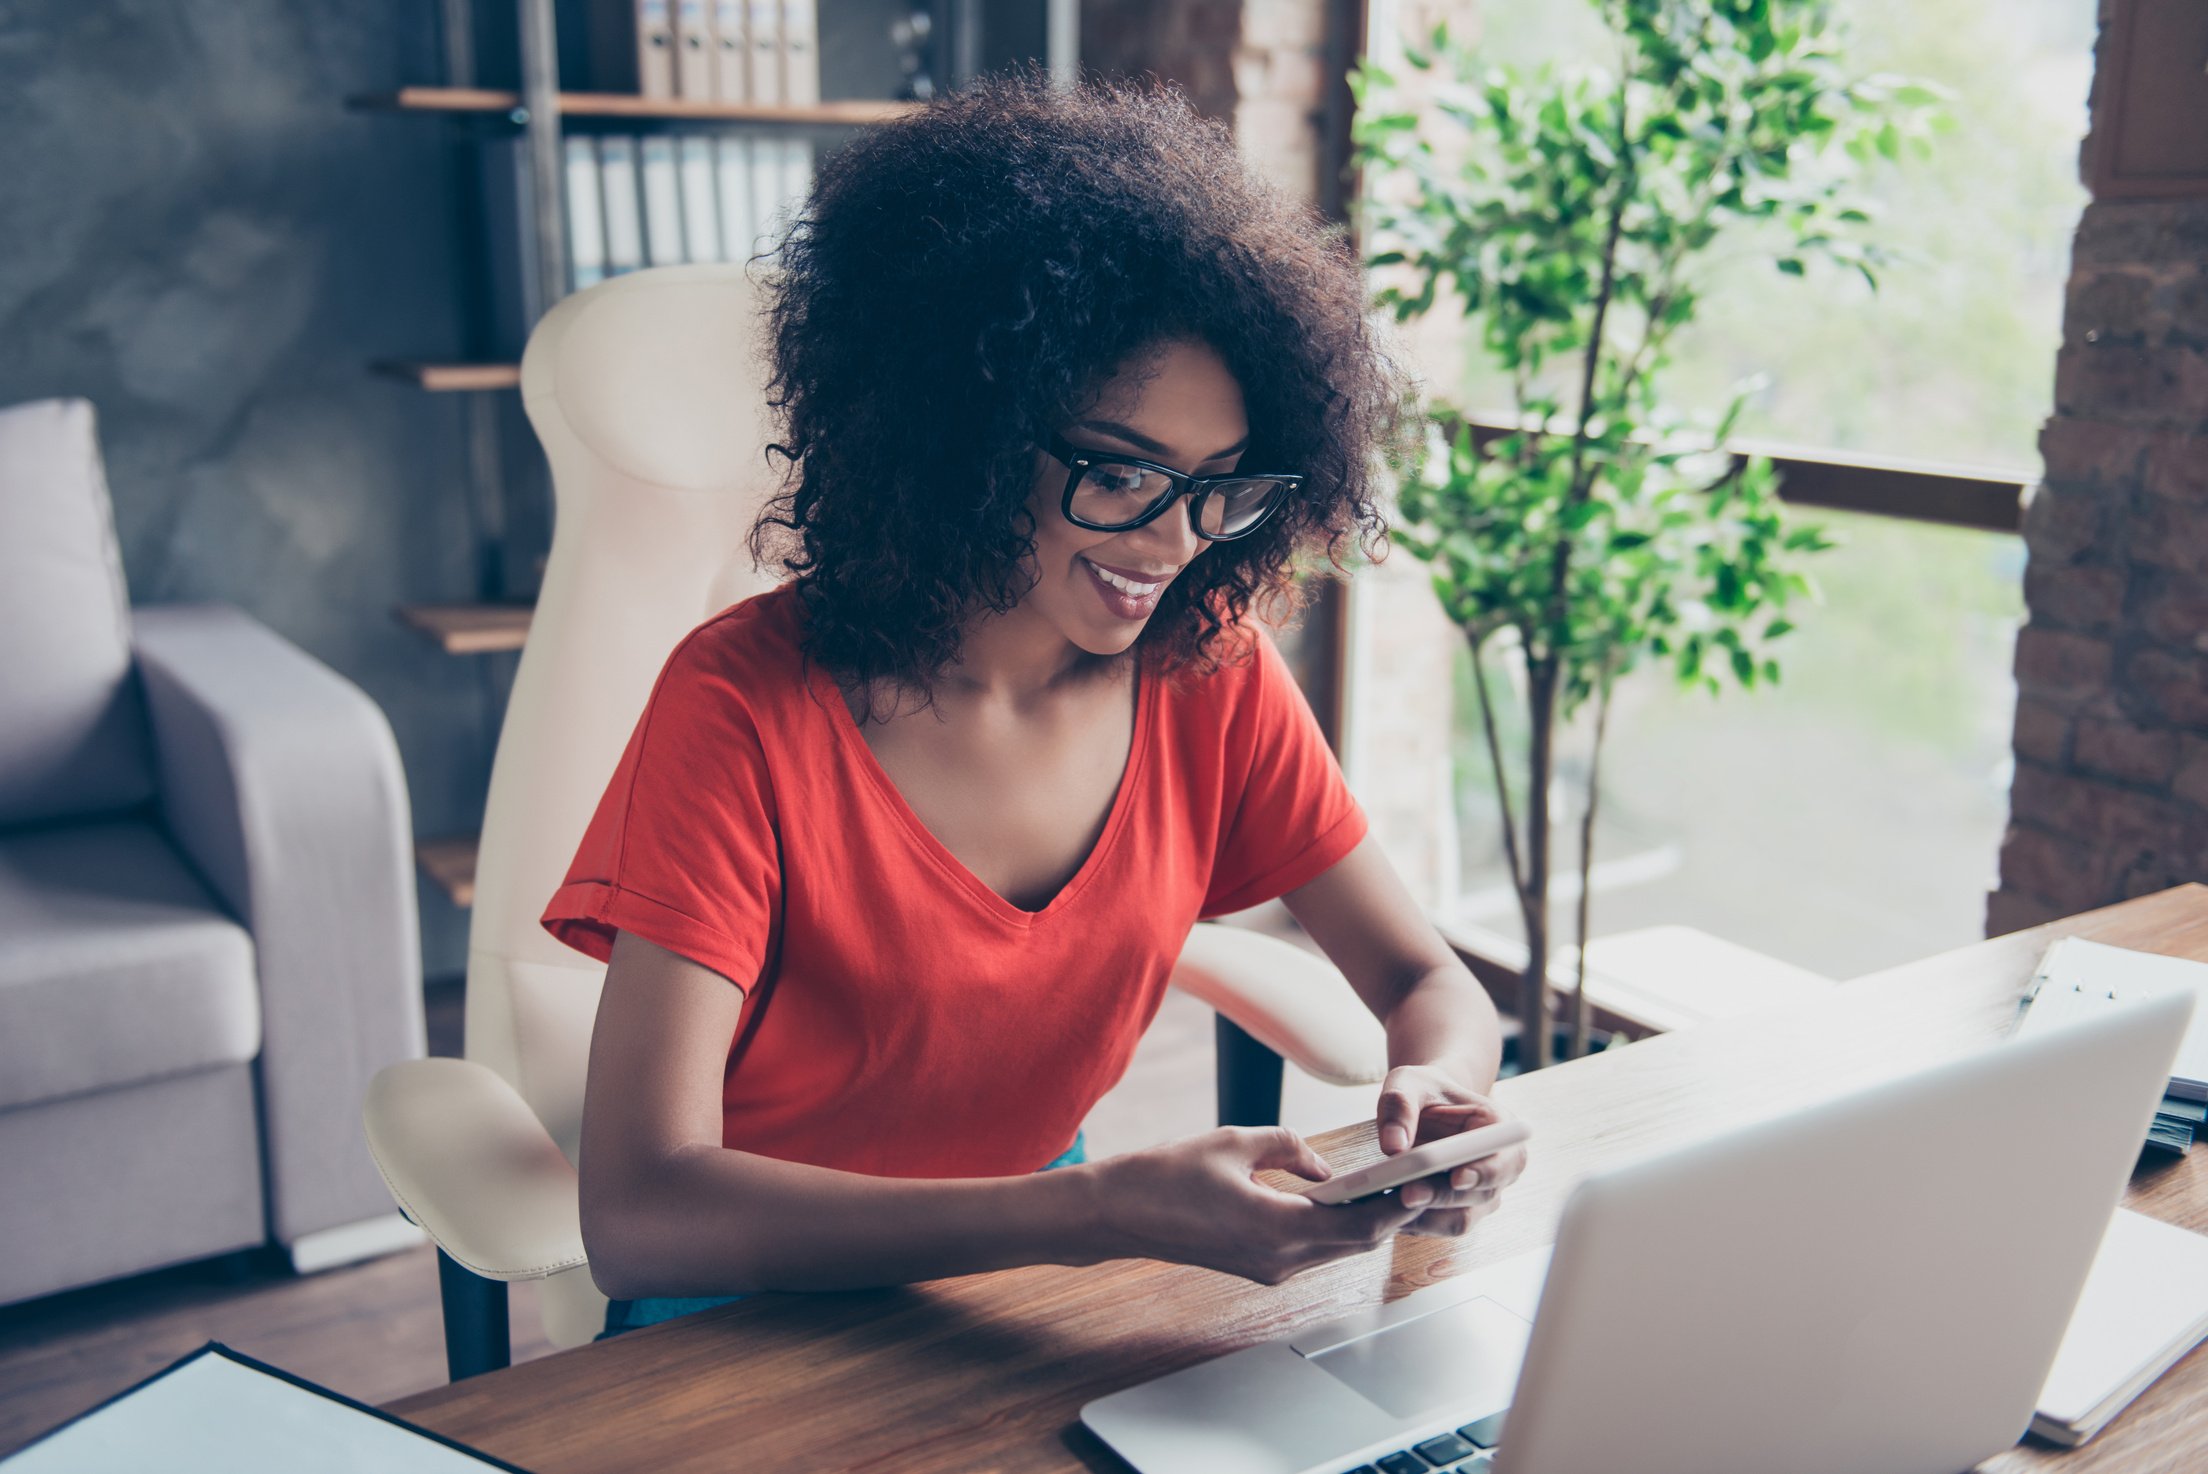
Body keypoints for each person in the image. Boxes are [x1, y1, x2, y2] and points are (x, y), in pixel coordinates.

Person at [540, 74, 1527, 1337]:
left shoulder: (1205, 673)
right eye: (1120, 471)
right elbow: (638, 1218)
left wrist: (1445, 1095)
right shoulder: (740, 706)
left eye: (1221, 485)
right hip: (743, 1306)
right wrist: (1097, 1212)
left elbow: (1423, 978)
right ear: (965, 435)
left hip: (1023, 1288)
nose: (1172, 540)